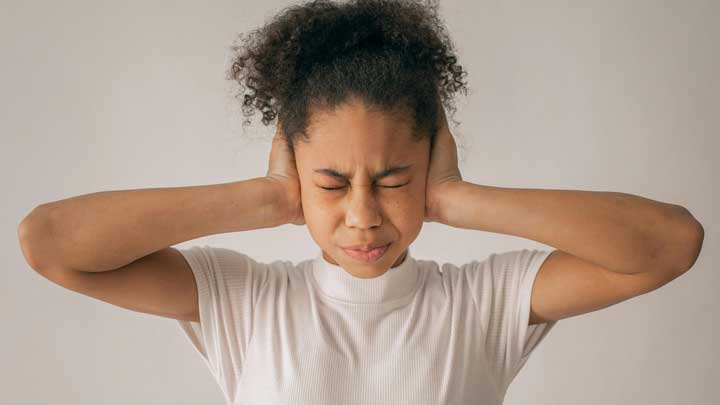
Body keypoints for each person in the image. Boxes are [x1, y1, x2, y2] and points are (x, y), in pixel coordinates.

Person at [18, 0, 703, 404]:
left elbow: (671, 244)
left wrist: (458, 200)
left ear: (431, 160)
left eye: (395, 177)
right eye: (331, 182)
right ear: (293, 164)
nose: (363, 214)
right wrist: (266, 199)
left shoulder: (483, 302)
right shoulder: (244, 301)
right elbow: (49, 242)